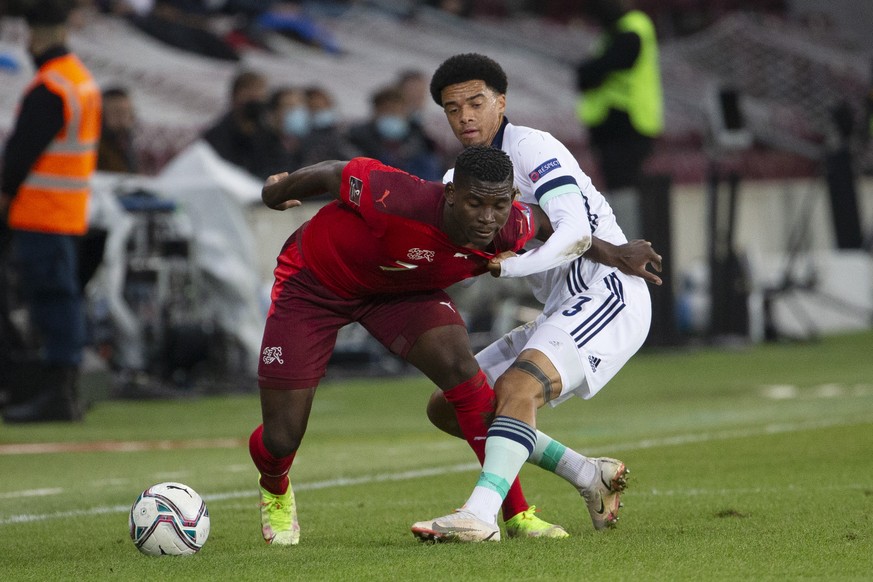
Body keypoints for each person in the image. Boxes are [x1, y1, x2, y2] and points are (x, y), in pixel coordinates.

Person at [411, 53, 659, 542]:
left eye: (476, 102)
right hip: (561, 308)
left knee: (518, 389)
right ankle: (590, 475)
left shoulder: (532, 147)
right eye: (452, 108)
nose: (465, 116)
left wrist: (507, 266)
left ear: (501, 102)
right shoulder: (459, 179)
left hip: (608, 296)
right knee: (450, 406)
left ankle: (480, 515)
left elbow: (573, 234)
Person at [249, 146, 549, 546]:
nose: (487, 217)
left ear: (511, 200)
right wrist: (276, 192)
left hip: (400, 291)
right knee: (282, 437)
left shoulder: (511, 225)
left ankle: (515, 513)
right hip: (314, 284)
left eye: (498, 205)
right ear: (451, 194)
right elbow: (331, 173)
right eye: (475, 202)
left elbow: (560, 228)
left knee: (461, 368)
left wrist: (614, 252)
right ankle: (274, 485)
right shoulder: (394, 195)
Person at [0, 0, 102, 423]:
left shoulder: (51, 85)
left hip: (41, 212)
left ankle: (57, 394)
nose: (29, 43)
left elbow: (20, 153)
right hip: (66, 211)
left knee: (51, 301)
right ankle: (62, 389)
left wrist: (4, 195)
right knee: (61, 299)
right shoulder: (79, 80)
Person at [575, 0, 663, 237]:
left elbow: (604, 67)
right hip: (612, 128)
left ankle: (627, 250)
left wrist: (587, 70)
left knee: (624, 190)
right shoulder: (611, 34)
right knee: (616, 190)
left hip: (629, 125)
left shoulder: (634, 28)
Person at [346, 85, 442, 181]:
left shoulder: (419, 141)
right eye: (387, 111)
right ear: (376, 111)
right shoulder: (357, 138)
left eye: (396, 111)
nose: (391, 114)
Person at [201, 69, 280, 179]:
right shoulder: (216, 136)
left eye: (259, 93)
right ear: (235, 96)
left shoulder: (270, 138)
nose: (255, 98)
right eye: (249, 93)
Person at [97, 86, 139, 174]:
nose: (122, 118)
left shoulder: (129, 144)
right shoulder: (95, 148)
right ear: (102, 116)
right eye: (116, 112)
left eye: (126, 112)